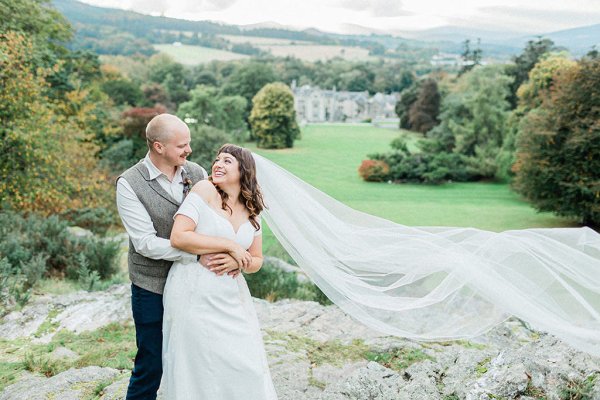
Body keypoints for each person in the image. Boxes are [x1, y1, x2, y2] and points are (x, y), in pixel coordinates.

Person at [116, 113, 225, 399]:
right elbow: (145, 244)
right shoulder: (129, 184)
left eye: (188, 143)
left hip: (196, 284)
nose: (188, 150)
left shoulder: (198, 174)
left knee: (199, 355)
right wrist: (197, 255)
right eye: (181, 146)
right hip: (152, 285)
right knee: (151, 361)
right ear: (158, 146)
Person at [163, 144, 277, 399]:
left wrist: (240, 261)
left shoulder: (252, 207)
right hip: (194, 290)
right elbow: (178, 237)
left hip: (231, 296)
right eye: (217, 159)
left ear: (243, 170)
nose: (218, 164)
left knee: (245, 364)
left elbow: (257, 260)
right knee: (200, 365)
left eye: (227, 161)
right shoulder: (204, 190)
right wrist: (229, 245)